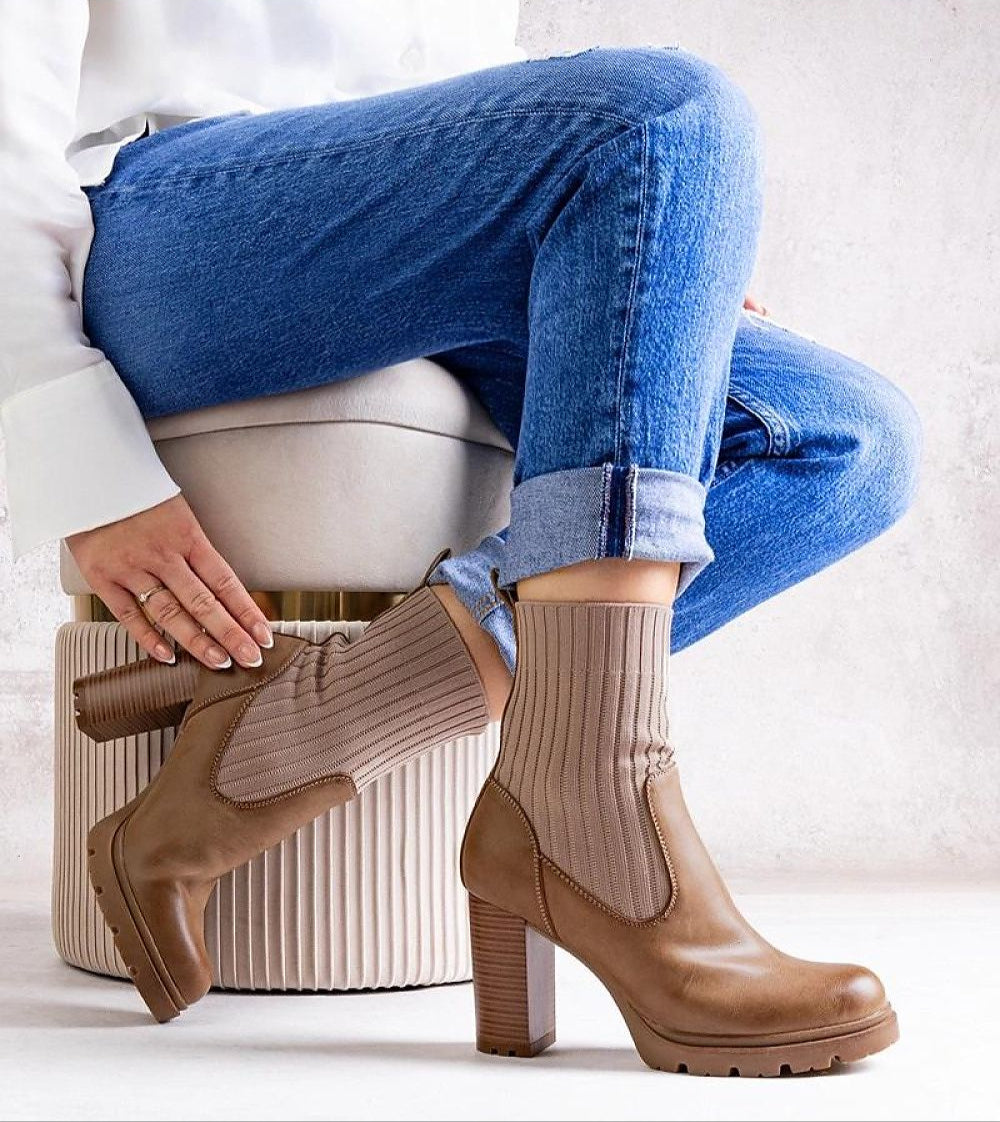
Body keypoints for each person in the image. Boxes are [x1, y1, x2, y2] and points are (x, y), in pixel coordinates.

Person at [1, 0, 919, 1076]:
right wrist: (68, 447)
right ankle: (592, 808)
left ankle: (310, 728)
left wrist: (658, 221)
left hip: (432, 224)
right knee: (658, 109)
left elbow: (451, 74)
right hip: (170, 225)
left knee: (848, 439)